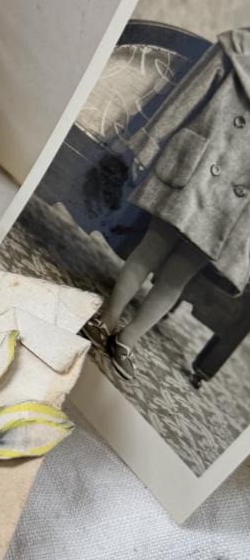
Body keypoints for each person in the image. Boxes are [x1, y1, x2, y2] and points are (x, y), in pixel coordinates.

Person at [90, 28, 250, 380]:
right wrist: (150, 143)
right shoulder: (238, 47)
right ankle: (107, 319)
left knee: (178, 277)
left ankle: (128, 340)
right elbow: (188, 98)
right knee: (150, 250)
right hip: (196, 172)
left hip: (235, 206)